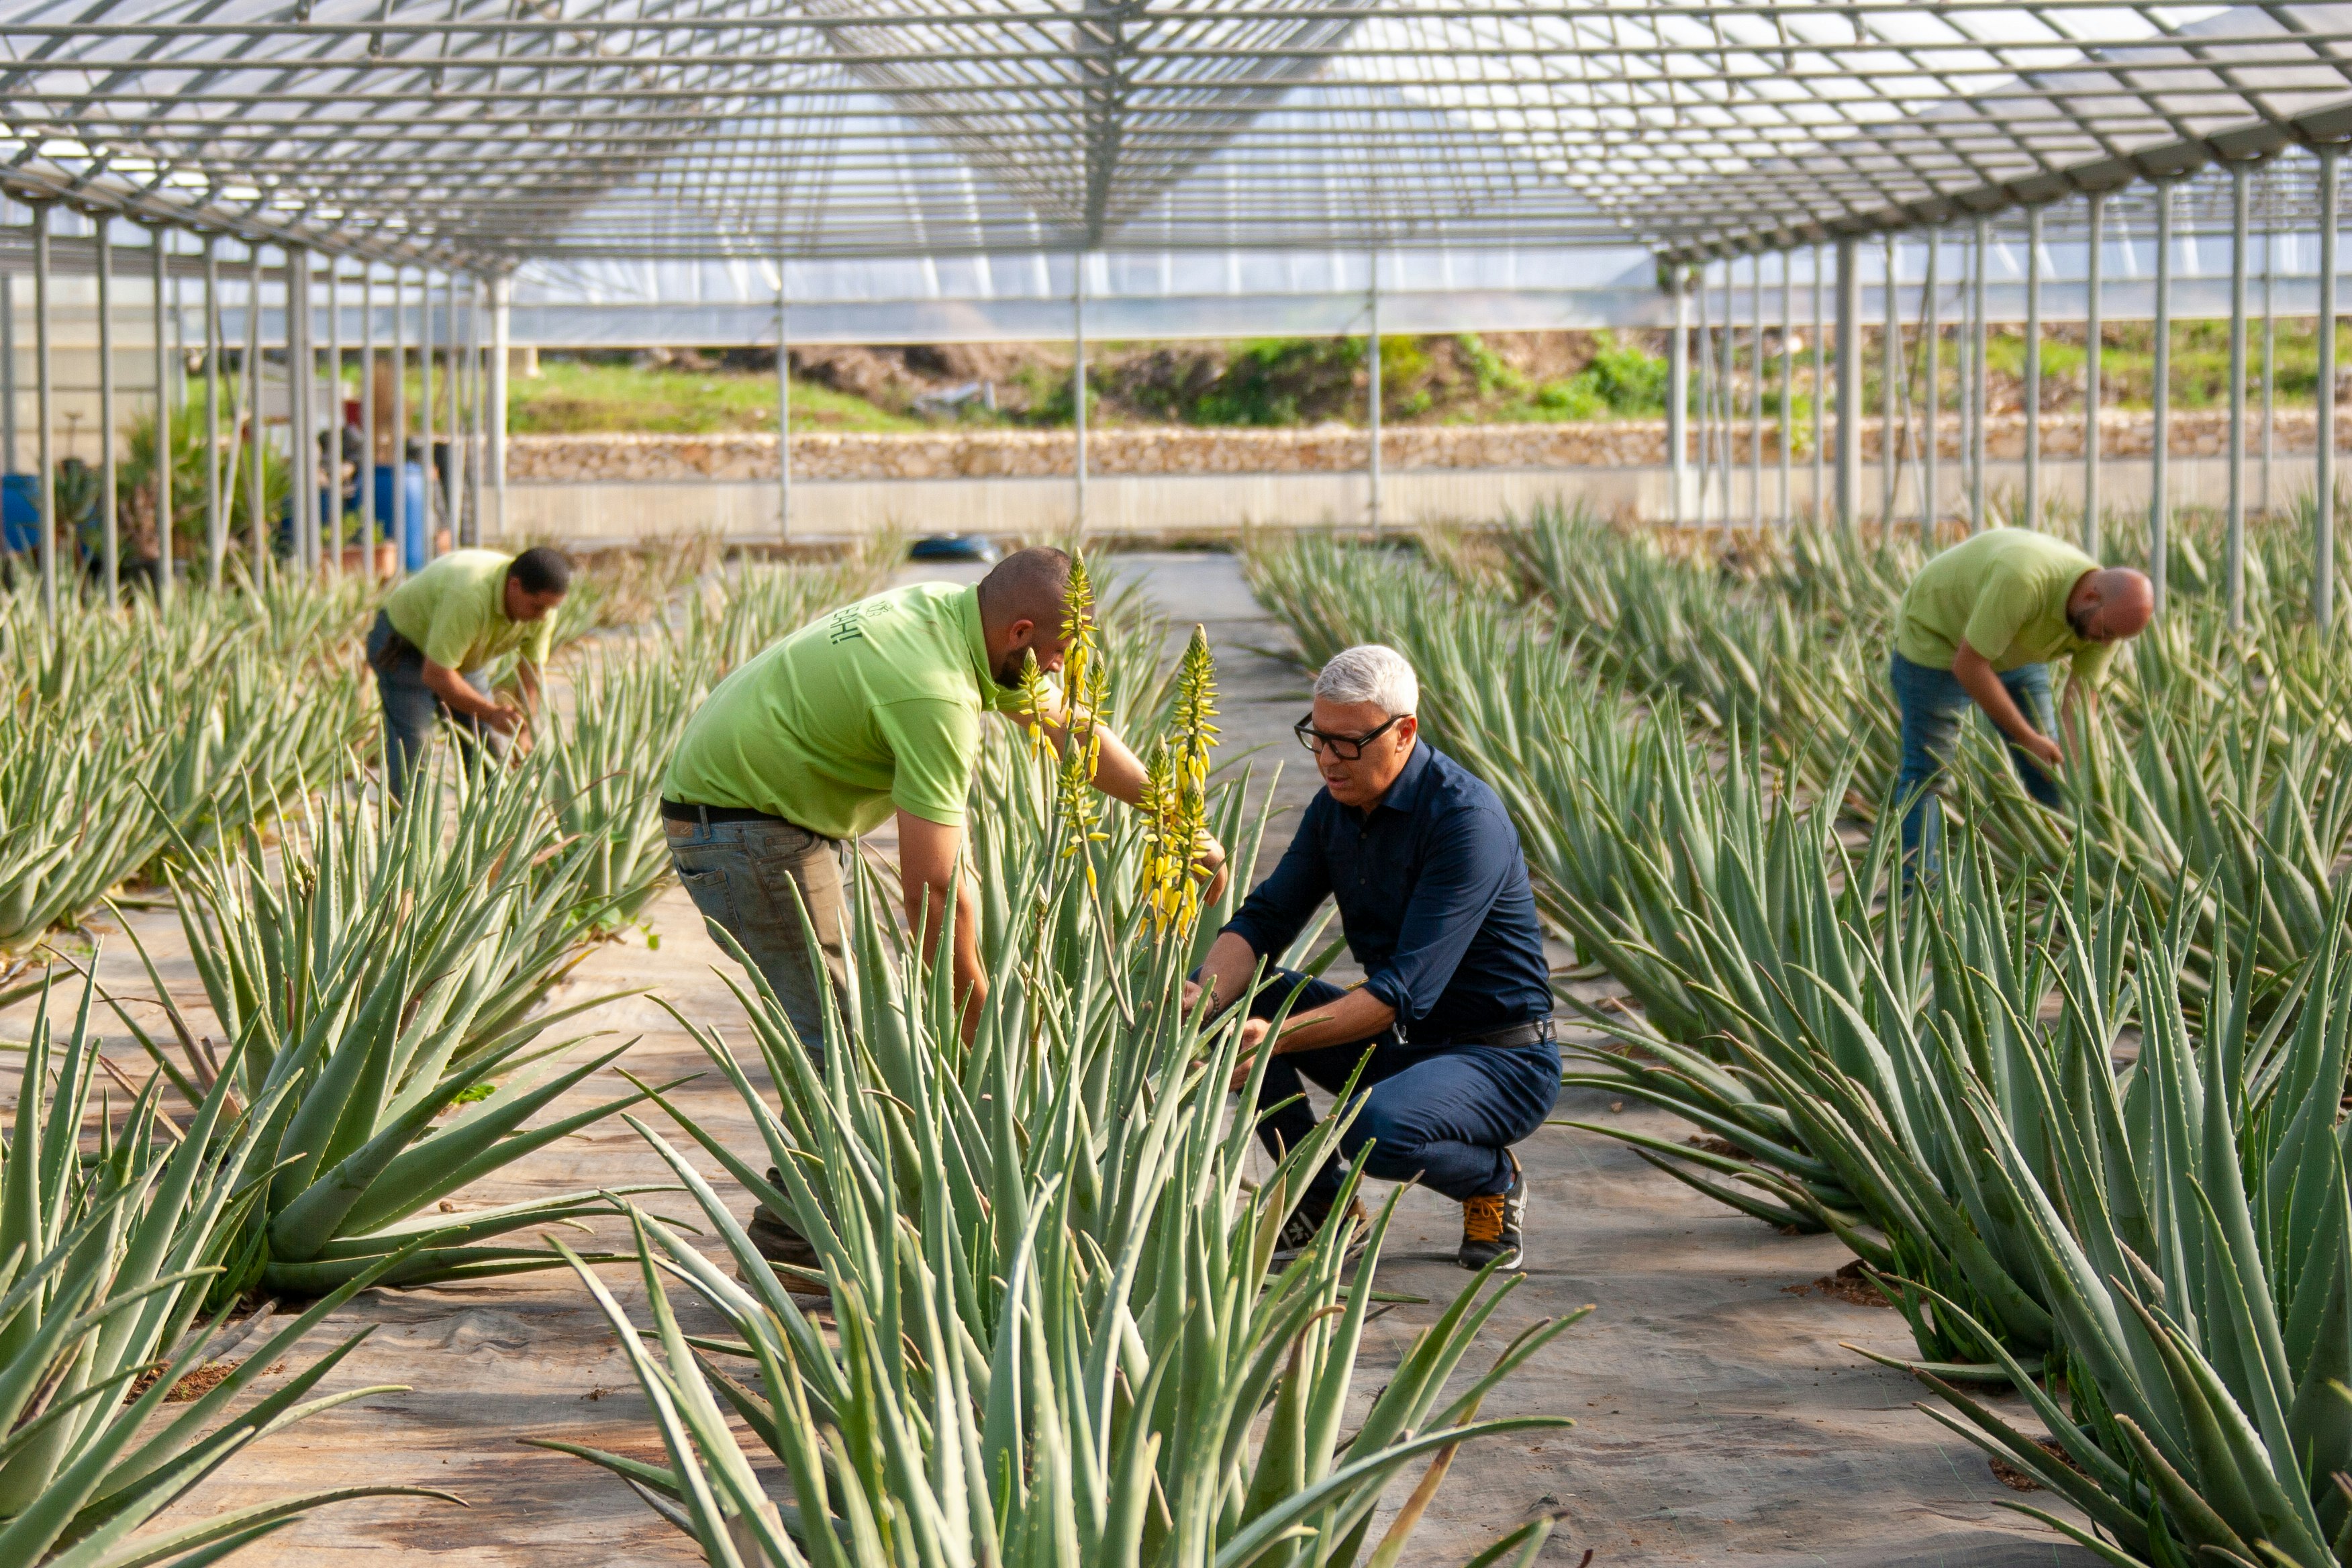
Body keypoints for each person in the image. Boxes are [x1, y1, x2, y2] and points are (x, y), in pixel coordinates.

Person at [660, 545, 1226, 1271]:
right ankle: (793, 1241)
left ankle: (823, 1219)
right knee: (846, 1040)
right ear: (1020, 632)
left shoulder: (955, 617)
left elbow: (1068, 725)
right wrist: (978, 1029)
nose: (1061, 669)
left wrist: (1174, 817)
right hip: (742, 828)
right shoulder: (934, 692)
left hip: (776, 811)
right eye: (1060, 652)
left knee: (862, 1031)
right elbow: (934, 887)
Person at [1186, 644, 1557, 1273]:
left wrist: (1275, 1038)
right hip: (1404, 1046)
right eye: (1318, 737)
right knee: (1239, 999)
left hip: (1500, 1059)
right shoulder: (1335, 808)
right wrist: (1208, 997)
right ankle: (1324, 1203)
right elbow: (1267, 918)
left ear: (1404, 732)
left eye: (1347, 743)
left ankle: (1492, 1178)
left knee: (1372, 1131)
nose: (1327, 759)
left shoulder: (1465, 822)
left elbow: (1397, 993)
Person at [1890, 527, 2155, 869]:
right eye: (2105, 633)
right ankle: (1918, 888)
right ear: (2090, 597)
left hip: (2015, 648)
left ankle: (2062, 874)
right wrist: (2026, 737)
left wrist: (2073, 774)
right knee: (1929, 772)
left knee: (2049, 769)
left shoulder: (2108, 621)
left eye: (2115, 638)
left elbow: (2079, 705)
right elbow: (1969, 666)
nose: (2105, 643)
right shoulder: (2024, 581)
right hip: (1938, 639)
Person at [366, 545, 569, 799]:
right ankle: (406, 823)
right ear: (515, 585)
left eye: (551, 608)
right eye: (537, 607)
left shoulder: (543, 611)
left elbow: (531, 673)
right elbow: (436, 674)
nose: (543, 617)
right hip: (404, 647)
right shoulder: (469, 597)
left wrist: (524, 728)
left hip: (459, 658)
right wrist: (491, 712)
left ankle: (493, 820)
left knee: (488, 744)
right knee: (415, 745)